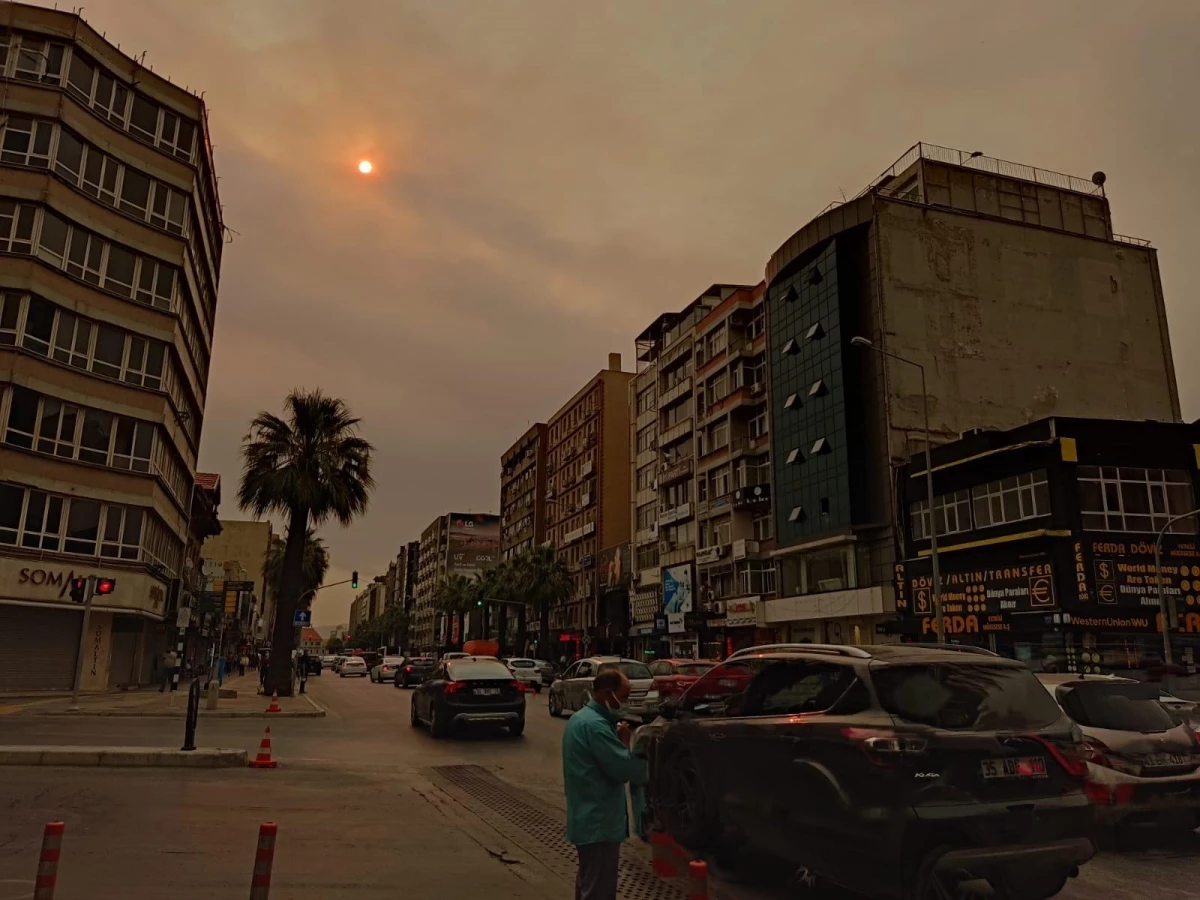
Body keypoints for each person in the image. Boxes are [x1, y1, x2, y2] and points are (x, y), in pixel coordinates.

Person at [562, 668, 648, 900]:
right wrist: (628, 745)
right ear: (609, 694)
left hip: (588, 818)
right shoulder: (596, 727)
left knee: (589, 883)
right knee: (599, 889)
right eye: (625, 695)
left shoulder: (582, 719)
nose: (627, 702)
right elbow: (623, 769)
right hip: (598, 822)